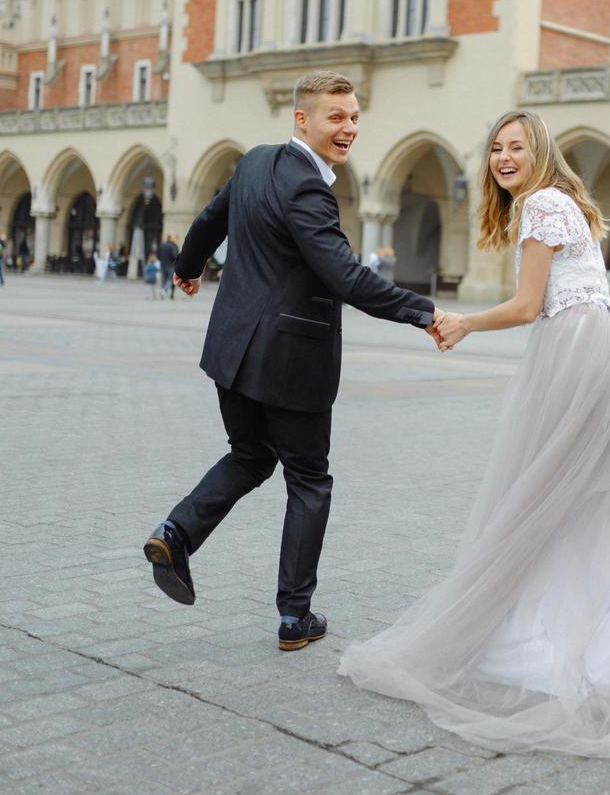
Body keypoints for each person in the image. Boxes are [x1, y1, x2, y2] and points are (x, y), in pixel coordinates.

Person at [339, 111, 610, 757]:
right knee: (593, 504)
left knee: (542, 499)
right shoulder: (566, 200)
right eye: (495, 147)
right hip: (606, 346)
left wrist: (463, 323)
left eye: (515, 146)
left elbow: (527, 306)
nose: (503, 157)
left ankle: (552, 643)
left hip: (579, 350)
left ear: (539, 152)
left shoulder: (543, 203)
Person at [144, 71, 443, 653]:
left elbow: (211, 218)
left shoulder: (255, 161)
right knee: (309, 480)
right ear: (301, 119)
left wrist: (188, 264)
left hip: (233, 349)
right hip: (289, 360)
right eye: (336, 116)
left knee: (251, 456)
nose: (349, 126)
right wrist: (425, 313)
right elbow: (345, 275)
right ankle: (294, 616)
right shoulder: (309, 186)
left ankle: (176, 533)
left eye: (354, 116)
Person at [159, 234, 179, 298]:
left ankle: (163, 292)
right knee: (170, 279)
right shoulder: (172, 246)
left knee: (164, 279)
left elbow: (158, 254)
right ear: (170, 239)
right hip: (170, 265)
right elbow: (174, 256)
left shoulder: (162, 245)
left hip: (163, 264)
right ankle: (164, 290)